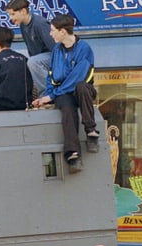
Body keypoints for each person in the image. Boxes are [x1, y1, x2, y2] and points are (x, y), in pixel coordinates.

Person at [32, 14, 98, 174]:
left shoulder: (84, 48)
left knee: (81, 87)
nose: (50, 33)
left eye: (53, 30)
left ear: (62, 31)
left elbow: (78, 77)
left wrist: (52, 95)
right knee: (67, 109)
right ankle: (73, 154)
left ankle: (91, 132)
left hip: (82, 90)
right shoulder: (56, 50)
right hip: (62, 92)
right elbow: (51, 75)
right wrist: (47, 96)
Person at [5, 0, 55, 97]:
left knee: (33, 62)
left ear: (23, 11)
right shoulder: (23, 25)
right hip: (39, 59)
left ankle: (47, 95)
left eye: (13, 14)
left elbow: (56, 49)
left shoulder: (40, 24)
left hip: (56, 57)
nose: (11, 18)